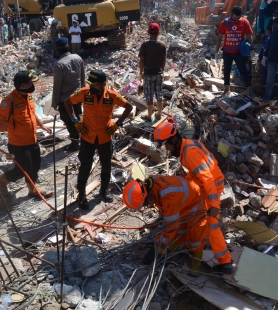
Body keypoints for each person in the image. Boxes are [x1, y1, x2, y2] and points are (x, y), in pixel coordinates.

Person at [153, 118, 234, 274]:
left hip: (211, 187)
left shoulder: (189, 153)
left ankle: (225, 262)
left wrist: (214, 206)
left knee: (211, 225)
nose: (168, 149)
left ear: (175, 139)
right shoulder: (188, 145)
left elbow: (208, 179)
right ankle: (189, 241)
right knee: (194, 214)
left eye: (167, 145)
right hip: (205, 183)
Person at [64, 70, 133, 209]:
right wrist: (75, 120)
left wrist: (117, 124)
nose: (91, 87)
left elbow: (129, 107)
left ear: (103, 84)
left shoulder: (112, 96)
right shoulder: (85, 93)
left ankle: (103, 190)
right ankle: (82, 195)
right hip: (87, 136)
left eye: (95, 85)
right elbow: (67, 102)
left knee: (106, 164)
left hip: (105, 136)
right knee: (85, 165)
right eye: (90, 84)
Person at [0, 71, 54, 198]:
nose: (33, 84)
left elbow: (31, 114)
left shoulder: (28, 95)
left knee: (35, 166)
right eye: (31, 82)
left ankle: (32, 190)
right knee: (23, 169)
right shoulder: (9, 101)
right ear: (23, 85)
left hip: (32, 140)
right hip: (18, 144)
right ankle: (1, 183)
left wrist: (41, 125)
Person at [123, 176, 208, 273]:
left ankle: (196, 268)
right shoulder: (152, 184)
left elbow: (171, 227)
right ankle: (169, 253)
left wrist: (160, 244)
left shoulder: (169, 198)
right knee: (180, 232)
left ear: (148, 196)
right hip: (184, 200)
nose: (147, 205)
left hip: (196, 203)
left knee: (195, 238)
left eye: (145, 204)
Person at [52, 37, 85, 151]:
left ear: (58, 49)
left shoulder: (59, 64)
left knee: (69, 120)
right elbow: (82, 78)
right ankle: (82, 138)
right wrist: (83, 94)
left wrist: (55, 102)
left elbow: (57, 85)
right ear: (68, 46)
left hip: (65, 99)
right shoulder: (78, 58)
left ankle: (75, 142)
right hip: (77, 95)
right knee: (78, 117)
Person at [214, 5, 255, 96]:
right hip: (227, 52)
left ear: (241, 16)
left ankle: (249, 89)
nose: (235, 19)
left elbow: (249, 36)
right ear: (231, 14)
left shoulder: (244, 22)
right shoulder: (224, 23)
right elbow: (219, 38)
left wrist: (252, 49)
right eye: (234, 17)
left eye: (237, 18)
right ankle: (226, 89)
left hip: (238, 52)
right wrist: (216, 52)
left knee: (243, 70)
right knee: (226, 71)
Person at [138, 22, 166, 122]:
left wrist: (141, 71)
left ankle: (149, 116)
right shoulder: (162, 45)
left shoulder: (144, 45)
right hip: (158, 73)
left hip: (148, 74)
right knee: (159, 94)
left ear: (148, 32)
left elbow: (141, 61)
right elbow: (163, 60)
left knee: (149, 95)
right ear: (159, 33)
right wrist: (162, 69)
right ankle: (159, 114)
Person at [257, 17, 278, 100]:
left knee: (277, 80)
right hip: (267, 61)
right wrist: (259, 59)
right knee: (266, 80)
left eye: (276, 25)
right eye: (273, 25)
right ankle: (266, 97)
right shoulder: (268, 37)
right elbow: (263, 49)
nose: (274, 26)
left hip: (277, 61)